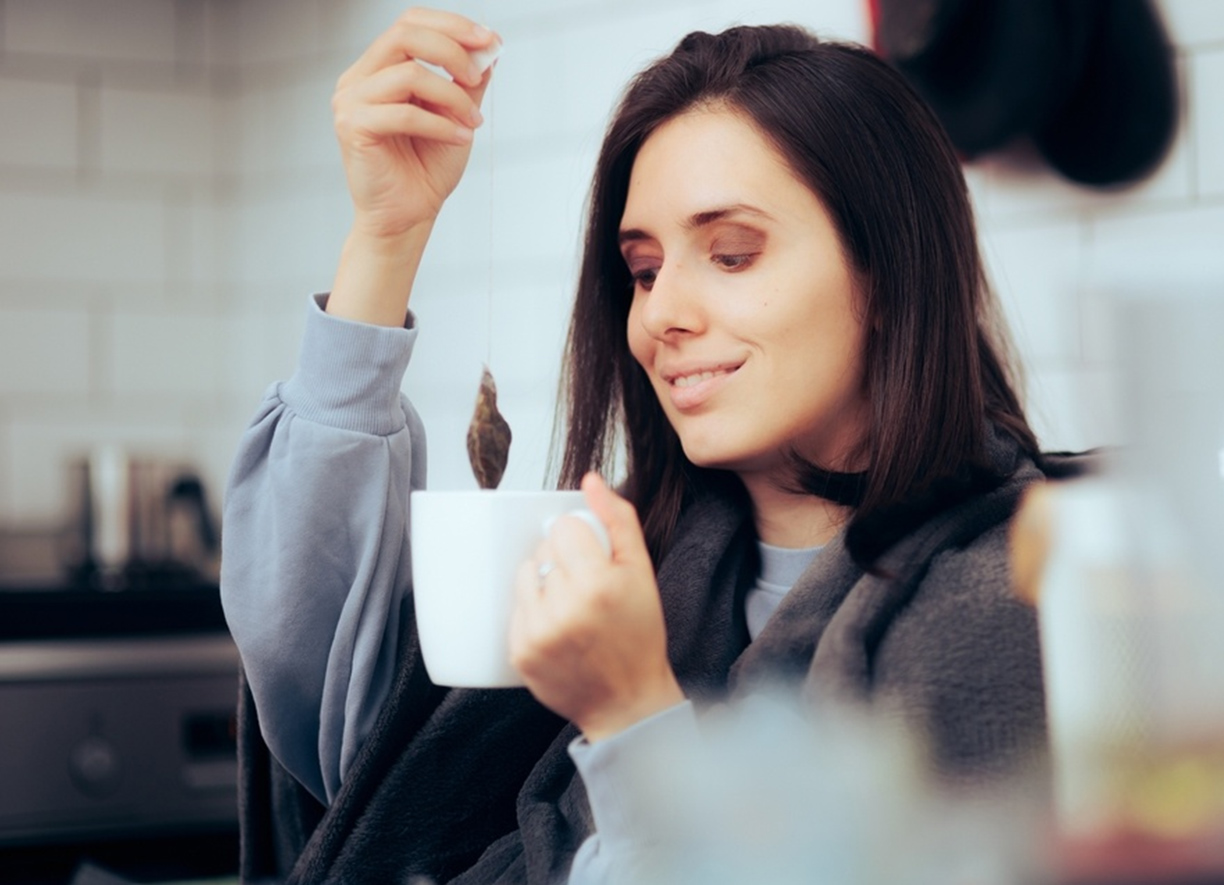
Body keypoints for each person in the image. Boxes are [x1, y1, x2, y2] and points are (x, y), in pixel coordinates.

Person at [222, 8, 1063, 883]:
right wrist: (385, 236)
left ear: (887, 274)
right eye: (645, 270)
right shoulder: (628, 561)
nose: (660, 314)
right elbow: (366, 761)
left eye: (732, 254)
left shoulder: (1009, 600)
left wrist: (632, 716)